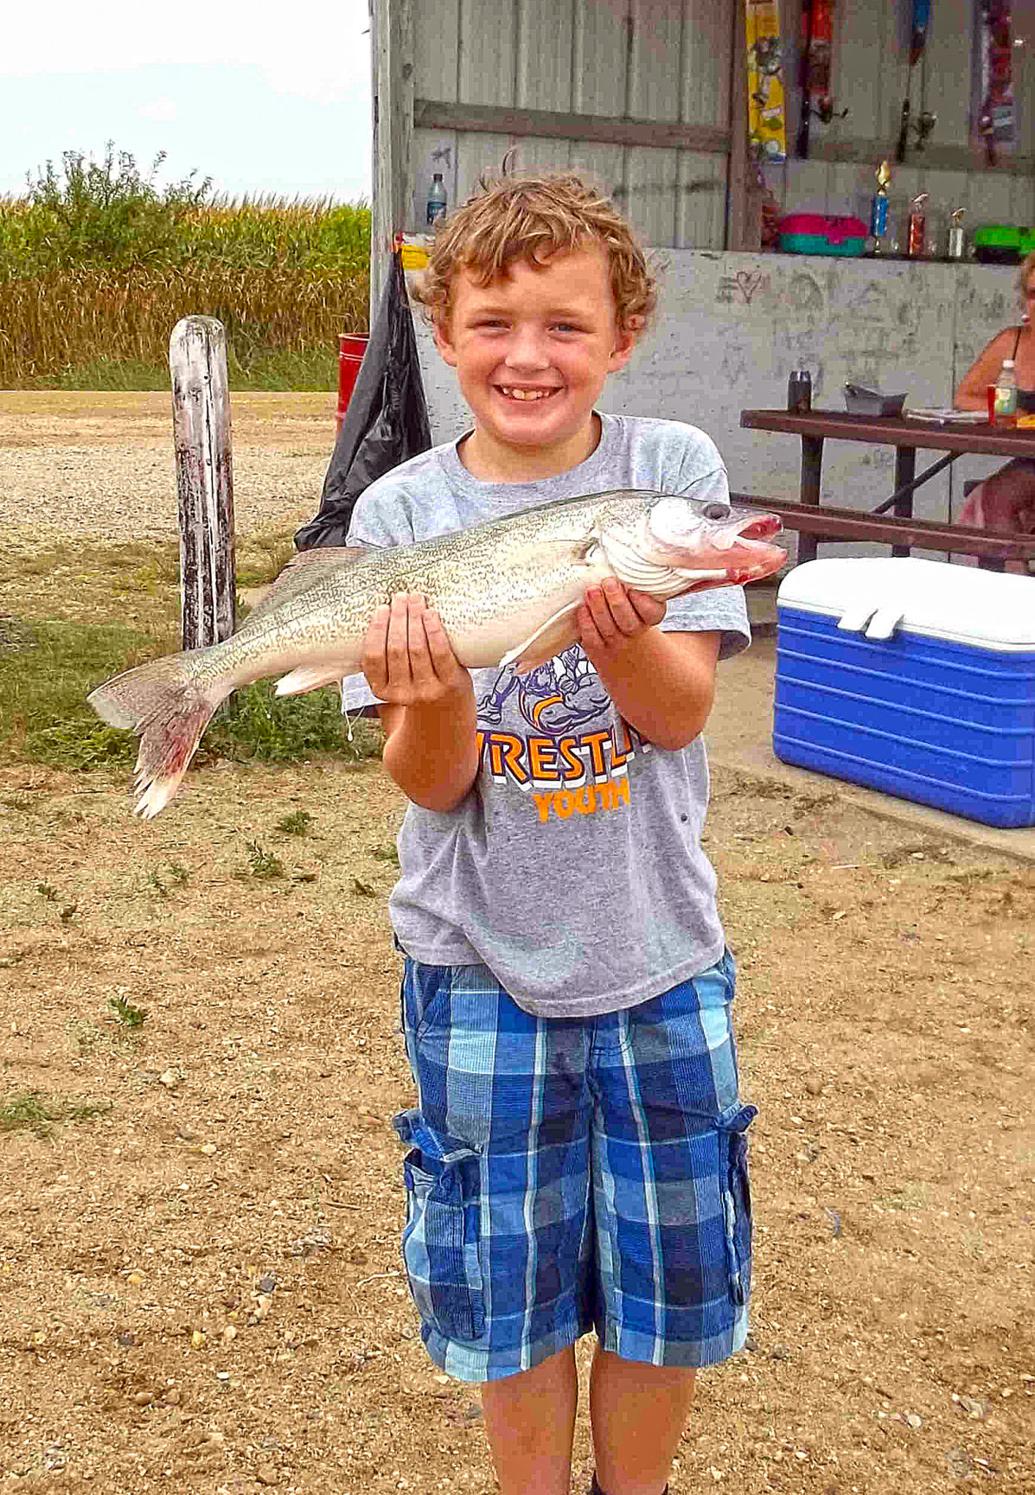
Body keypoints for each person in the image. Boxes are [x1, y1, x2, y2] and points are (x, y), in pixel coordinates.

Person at [343, 172, 756, 1495]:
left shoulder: (668, 474)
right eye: (493, 323)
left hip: (659, 950)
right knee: (507, 1294)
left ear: (622, 337)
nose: (528, 356)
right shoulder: (400, 517)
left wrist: (616, 631)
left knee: (666, 1284)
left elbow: (676, 714)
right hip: (475, 962)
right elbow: (432, 783)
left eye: (565, 325)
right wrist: (433, 694)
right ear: (444, 332)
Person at [954, 251, 1035, 538]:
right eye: (1033, 294)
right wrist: (1006, 409)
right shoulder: (1011, 342)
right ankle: (1012, 567)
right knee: (993, 498)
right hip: (1028, 458)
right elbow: (964, 397)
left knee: (999, 498)